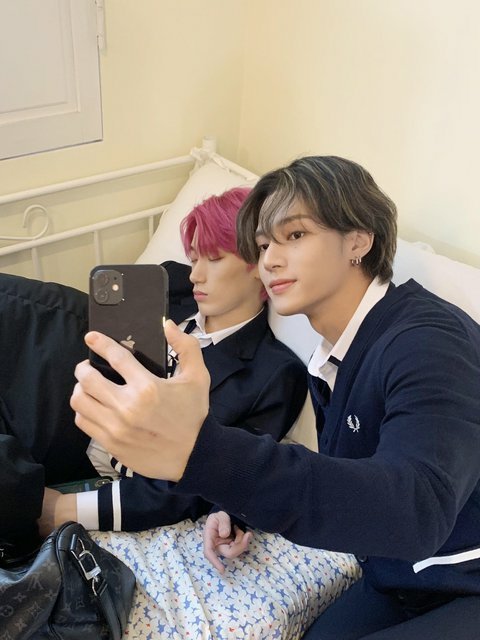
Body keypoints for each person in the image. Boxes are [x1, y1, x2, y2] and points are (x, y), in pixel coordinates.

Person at [71, 156, 480, 640]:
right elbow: (349, 479)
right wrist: (238, 507)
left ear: (358, 241)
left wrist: (201, 450)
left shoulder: (427, 340)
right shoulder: (332, 358)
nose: (269, 260)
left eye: (295, 235)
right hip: (393, 573)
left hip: (464, 581)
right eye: (264, 245)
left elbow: (417, 507)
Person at [38, 186, 307, 535]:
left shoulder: (275, 373)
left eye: (214, 258)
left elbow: (221, 473)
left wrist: (62, 510)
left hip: (92, 466)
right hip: (55, 410)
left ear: (260, 263)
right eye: (194, 259)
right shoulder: (169, 284)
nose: (196, 275)